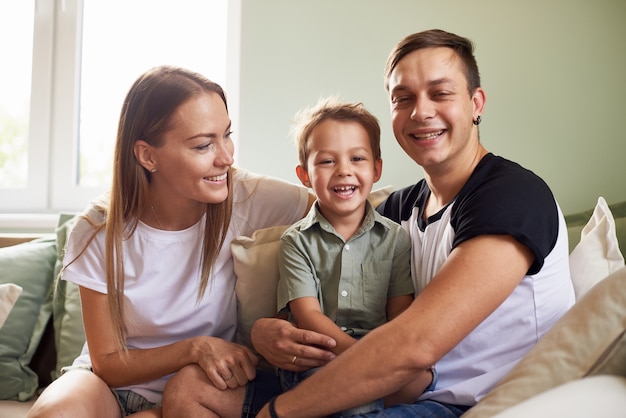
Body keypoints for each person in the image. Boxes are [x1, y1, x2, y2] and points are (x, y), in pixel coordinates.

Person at [163, 29, 574, 418]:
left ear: (476, 103)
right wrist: (266, 334)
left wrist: (278, 413)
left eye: (440, 93)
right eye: (403, 98)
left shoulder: (511, 196)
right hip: (378, 388)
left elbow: (414, 346)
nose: (421, 112)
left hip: (461, 404)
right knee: (189, 389)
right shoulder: (398, 210)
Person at [26, 65, 315, 418]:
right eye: (204, 144)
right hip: (107, 384)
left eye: (227, 135)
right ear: (148, 156)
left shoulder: (246, 196)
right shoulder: (99, 227)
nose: (226, 157)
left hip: (201, 389)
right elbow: (108, 364)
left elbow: (339, 208)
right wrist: (195, 348)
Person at [275, 97, 434, 416]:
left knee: (422, 377)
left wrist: (386, 361)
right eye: (327, 161)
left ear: (376, 169)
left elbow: (400, 314)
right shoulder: (296, 241)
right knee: (351, 391)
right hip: (319, 357)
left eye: (357, 158)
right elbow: (309, 317)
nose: (344, 171)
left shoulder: (395, 239)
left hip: (379, 355)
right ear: (304, 175)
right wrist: (365, 359)